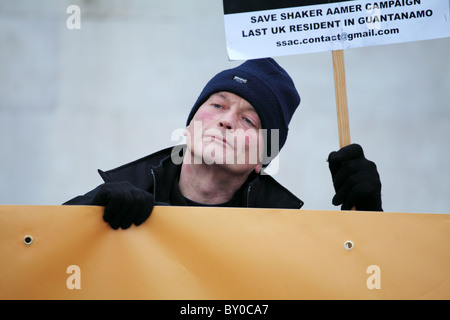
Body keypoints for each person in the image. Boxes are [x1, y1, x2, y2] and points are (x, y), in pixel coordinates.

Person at [64, 58, 382, 229]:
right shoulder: (116, 198)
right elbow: (31, 254)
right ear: (189, 126)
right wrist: (87, 212)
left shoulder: (287, 236)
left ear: (263, 158)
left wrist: (368, 223)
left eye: (249, 120)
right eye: (217, 105)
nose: (227, 120)